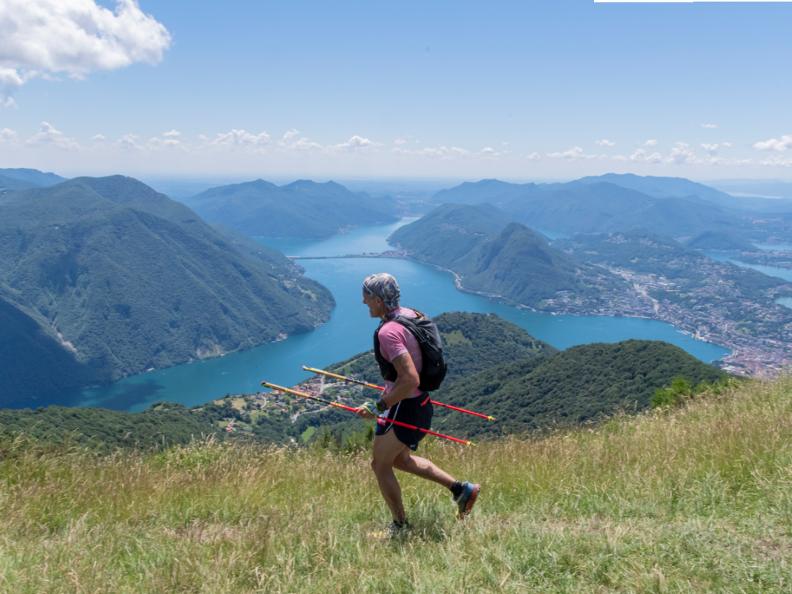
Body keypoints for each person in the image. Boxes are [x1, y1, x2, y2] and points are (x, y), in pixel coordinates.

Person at [355, 272, 479, 535]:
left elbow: (409, 378)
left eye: (366, 295)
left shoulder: (389, 332)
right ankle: (461, 490)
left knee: (380, 465)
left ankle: (400, 527)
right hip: (420, 404)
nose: (363, 301)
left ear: (377, 299)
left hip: (404, 407)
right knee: (401, 460)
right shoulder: (413, 315)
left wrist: (379, 405)